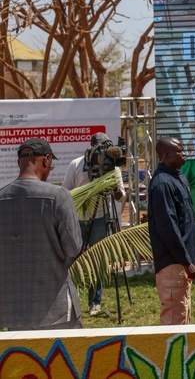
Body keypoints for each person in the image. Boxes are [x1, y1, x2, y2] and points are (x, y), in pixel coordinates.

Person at [0, 138, 83, 330]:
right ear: (46, 160)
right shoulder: (58, 196)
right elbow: (73, 247)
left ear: (18, 162)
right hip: (56, 311)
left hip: (13, 313)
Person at [62, 131, 126, 317]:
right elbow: (66, 193)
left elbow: (121, 197)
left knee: (98, 261)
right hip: (77, 220)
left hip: (101, 218)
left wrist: (114, 189)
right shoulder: (76, 164)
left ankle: (95, 303)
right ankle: (66, 301)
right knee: (70, 260)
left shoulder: (113, 168)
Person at [148, 137, 195, 325]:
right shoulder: (162, 184)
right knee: (174, 322)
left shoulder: (178, 177)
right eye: (180, 150)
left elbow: (186, 223)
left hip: (182, 262)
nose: (184, 153)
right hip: (173, 263)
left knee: (183, 315)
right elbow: (168, 227)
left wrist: (194, 257)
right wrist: (186, 260)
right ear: (166, 155)